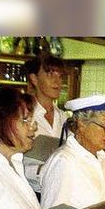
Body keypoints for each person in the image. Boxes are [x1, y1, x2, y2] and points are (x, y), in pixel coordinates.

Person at [22, 54, 68, 193]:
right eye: (50, 74)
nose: (57, 81)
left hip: (58, 188)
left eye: (60, 76)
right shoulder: (23, 115)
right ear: (34, 78)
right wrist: (43, 170)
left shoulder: (64, 117)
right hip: (29, 190)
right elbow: (9, 160)